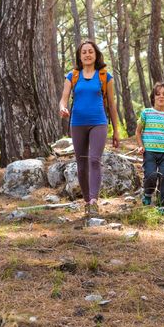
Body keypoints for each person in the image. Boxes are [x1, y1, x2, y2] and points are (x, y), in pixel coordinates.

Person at [58, 40, 121, 216]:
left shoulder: (104, 76)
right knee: (81, 164)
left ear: (96, 55)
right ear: (80, 55)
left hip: (98, 123)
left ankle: (93, 200)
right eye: (84, 52)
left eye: (90, 52)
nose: (87, 54)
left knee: (94, 160)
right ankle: (87, 201)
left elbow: (112, 105)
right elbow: (64, 98)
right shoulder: (72, 76)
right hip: (77, 123)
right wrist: (62, 107)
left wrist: (116, 130)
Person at [135, 82, 164, 213]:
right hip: (149, 152)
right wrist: (140, 146)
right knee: (151, 175)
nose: (161, 96)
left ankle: (162, 204)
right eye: (158, 94)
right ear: (153, 97)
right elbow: (138, 132)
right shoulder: (146, 113)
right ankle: (148, 193)